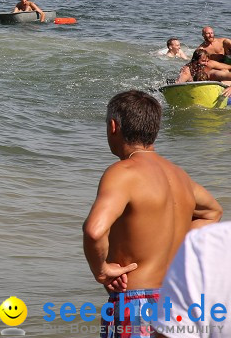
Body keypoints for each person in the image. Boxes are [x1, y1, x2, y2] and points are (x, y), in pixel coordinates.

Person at [82, 91, 222, 338]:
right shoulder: (179, 175)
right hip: (177, 303)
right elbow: (213, 212)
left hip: (137, 304)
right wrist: (176, 245)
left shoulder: (123, 172)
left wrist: (102, 270)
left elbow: (94, 231)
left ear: (113, 127)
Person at [154, 222, 231, 337]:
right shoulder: (206, 240)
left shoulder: (206, 241)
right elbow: (213, 212)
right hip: (165, 285)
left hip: (140, 290)